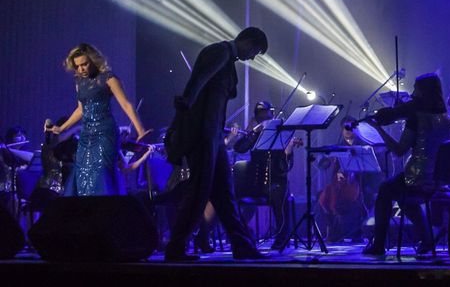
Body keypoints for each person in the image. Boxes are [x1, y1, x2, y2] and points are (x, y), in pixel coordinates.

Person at [157, 27, 268, 261]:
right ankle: (175, 247)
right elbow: (198, 80)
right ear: (248, 42)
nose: (252, 57)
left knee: (224, 194)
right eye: (255, 51)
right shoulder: (220, 52)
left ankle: (242, 246)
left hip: (213, 135)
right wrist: (187, 102)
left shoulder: (225, 56)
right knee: (199, 191)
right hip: (203, 134)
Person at [362, 73, 450, 256]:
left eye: (415, 90)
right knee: (402, 196)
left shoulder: (416, 118)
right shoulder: (447, 119)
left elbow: (398, 150)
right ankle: (427, 240)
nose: (412, 94)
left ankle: (378, 245)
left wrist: (378, 129)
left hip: (418, 175)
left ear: (423, 92)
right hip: (438, 179)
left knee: (385, 190)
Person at [48, 43, 150, 196]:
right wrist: (62, 128)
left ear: (93, 60)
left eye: (84, 64)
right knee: (83, 174)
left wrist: (140, 130)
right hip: (86, 136)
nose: (81, 69)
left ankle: (105, 206)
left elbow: (126, 104)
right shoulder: (79, 82)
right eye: (77, 66)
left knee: (101, 173)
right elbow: (81, 110)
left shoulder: (109, 78)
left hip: (105, 133)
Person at [233, 101, 302, 250]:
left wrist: (288, 151)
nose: (264, 118)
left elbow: (286, 167)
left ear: (272, 114)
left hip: (276, 181)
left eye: (266, 114)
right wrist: (254, 131)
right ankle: (242, 235)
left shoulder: (282, 134)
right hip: (256, 182)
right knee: (236, 198)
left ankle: (282, 236)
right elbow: (239, 148)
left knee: (279, 195)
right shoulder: (255, 134)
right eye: (260, 115)